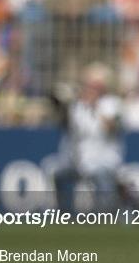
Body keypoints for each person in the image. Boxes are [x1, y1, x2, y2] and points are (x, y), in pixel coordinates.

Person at [47, 62, 123, 213]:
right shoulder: (78, 106)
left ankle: (107, 216)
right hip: (80, 160)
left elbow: (112, 128)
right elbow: (67, 127)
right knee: (57, 174)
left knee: (104, 189)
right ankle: (64, 213)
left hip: (104, 160)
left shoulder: (112, 103)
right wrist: (63, 105)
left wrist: (95, 107)